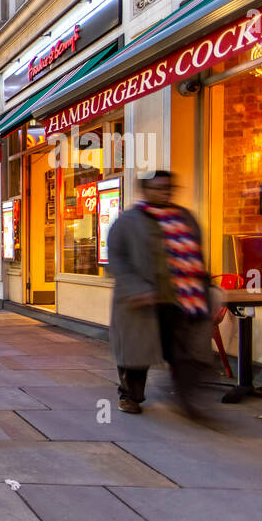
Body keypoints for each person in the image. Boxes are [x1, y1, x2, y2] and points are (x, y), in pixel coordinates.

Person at [107, 169, 211, 418]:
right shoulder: (128, 221)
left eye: (168, 188)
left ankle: (188, 400)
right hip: (141, 302)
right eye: (158, 188)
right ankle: (130, 396)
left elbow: (195, 255)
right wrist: (137, 289)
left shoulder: (185, 217)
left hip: (180, 299)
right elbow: (116, 260)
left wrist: (202, 286)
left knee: (183, 353)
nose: (165, 192)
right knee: (136, 354)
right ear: (145, 191)